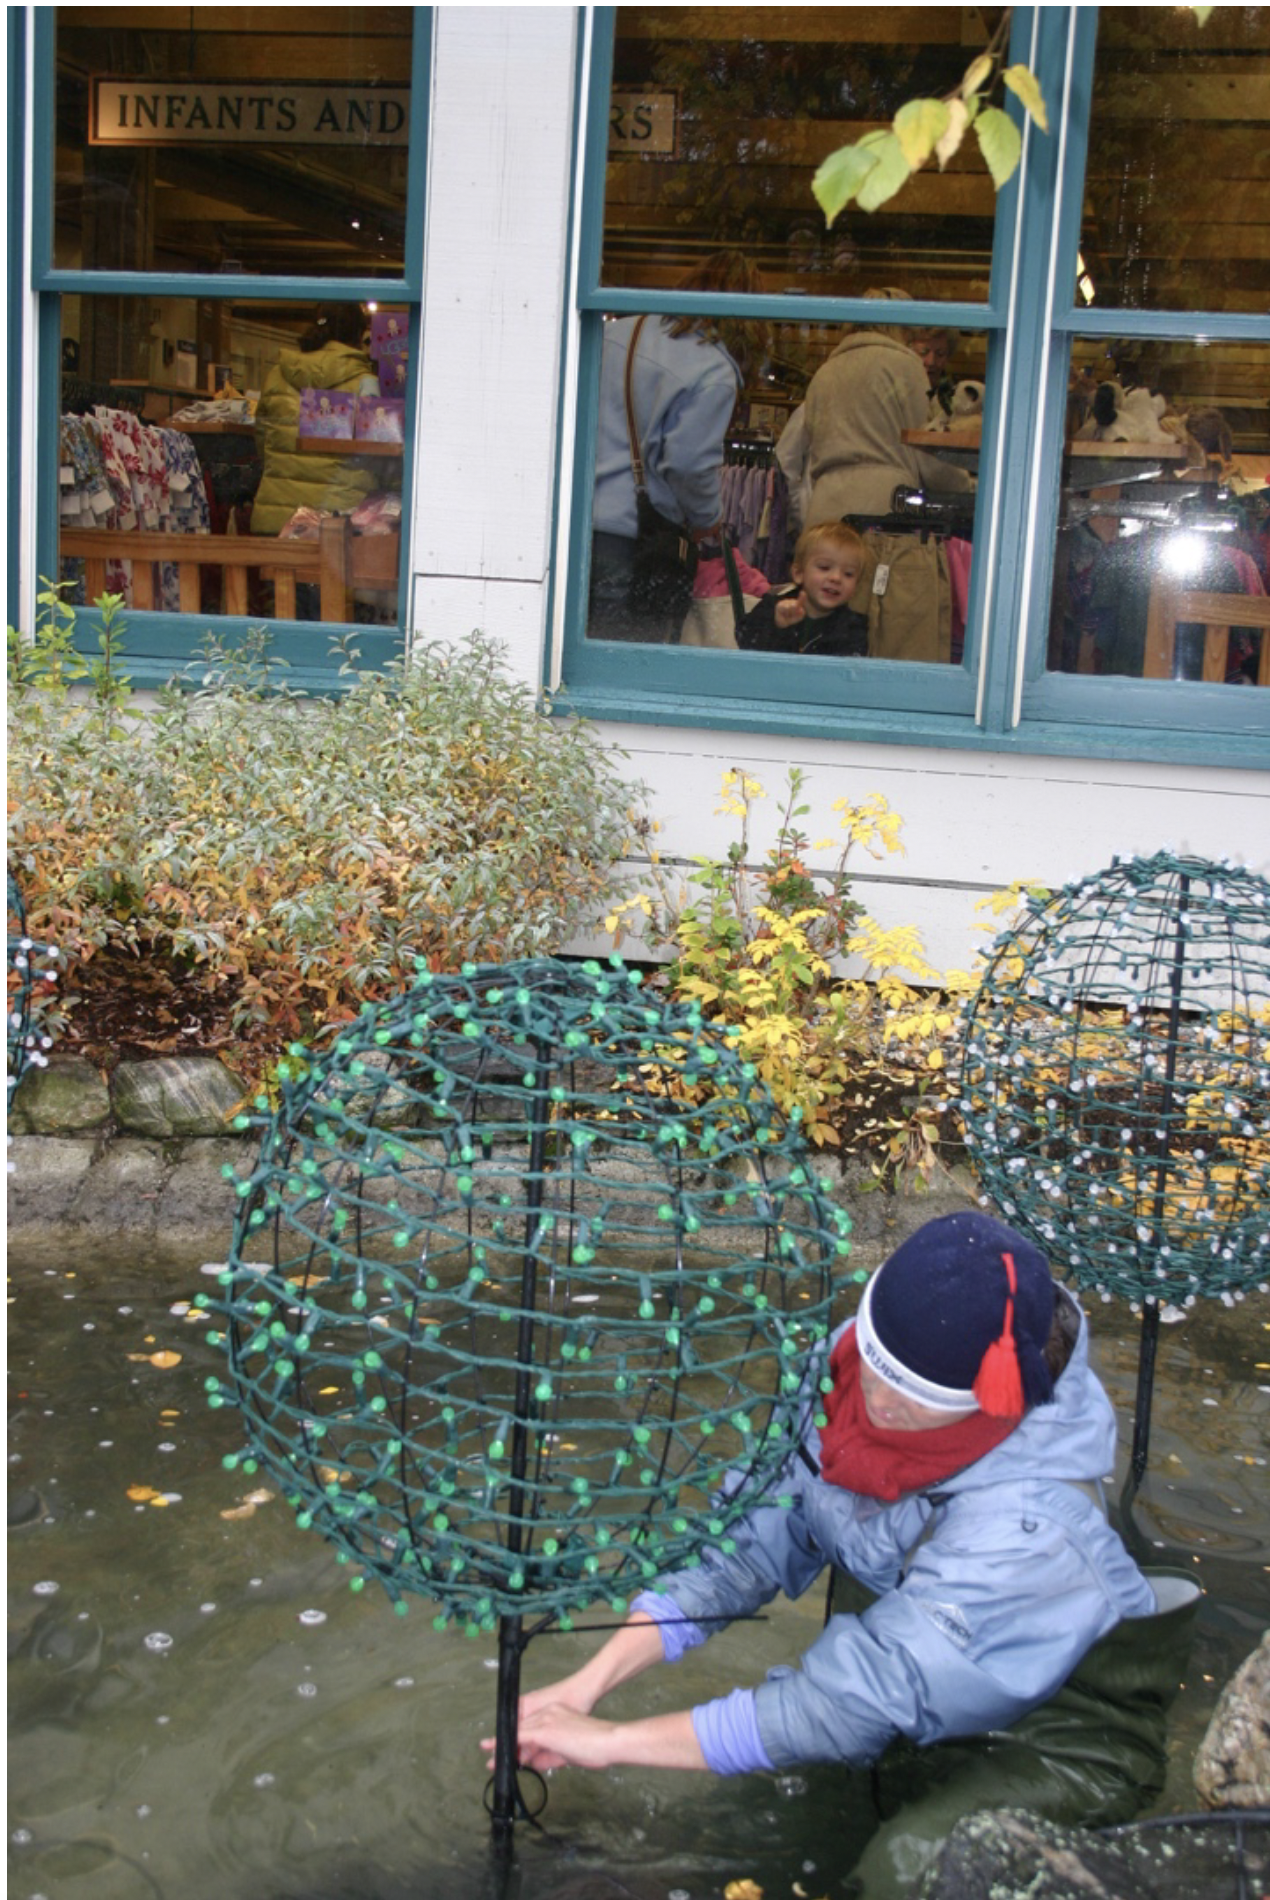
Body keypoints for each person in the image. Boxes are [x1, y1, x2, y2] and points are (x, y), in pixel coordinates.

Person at [482, 1212, 1199, 1898]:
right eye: (875, 1362)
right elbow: (750, 1540)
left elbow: (846, 1705)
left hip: (1054, 1741)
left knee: (906, 1867)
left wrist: (609, 1743)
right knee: (746, 1834)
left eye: (911, 1393)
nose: (876, 1399)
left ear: (992, 1395)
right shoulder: (850, 1368)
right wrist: (590, 1683)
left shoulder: (1032, 1524)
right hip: (894, 1692)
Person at [588, 251, 766, 643]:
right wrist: (709, 522)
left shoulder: (620, 333)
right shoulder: (714, 370)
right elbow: (687, 463)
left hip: (573, 523)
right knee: (629, 660)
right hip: (634, 539)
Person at [802, 290, 973, 524]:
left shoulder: (822, 374)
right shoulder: (904, 366)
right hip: (884, 507)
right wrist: (967, 488)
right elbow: (927, 449)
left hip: (824, 508)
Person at [252, 304, 378, 538]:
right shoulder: (366, 383)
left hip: (276, 519)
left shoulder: (277, 374)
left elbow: (262, 440)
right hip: (336, 522)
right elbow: (376, 452)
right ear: (359, 335)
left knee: (276, 574)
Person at [736, 519, 867, 657]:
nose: (836, 578)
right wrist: (778, 626)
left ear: (856, 586)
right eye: (824, 567)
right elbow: (745, 642)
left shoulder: (853, 627)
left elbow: (845, 670)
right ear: (799, 573)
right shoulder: (772, 607)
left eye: (848, 574)